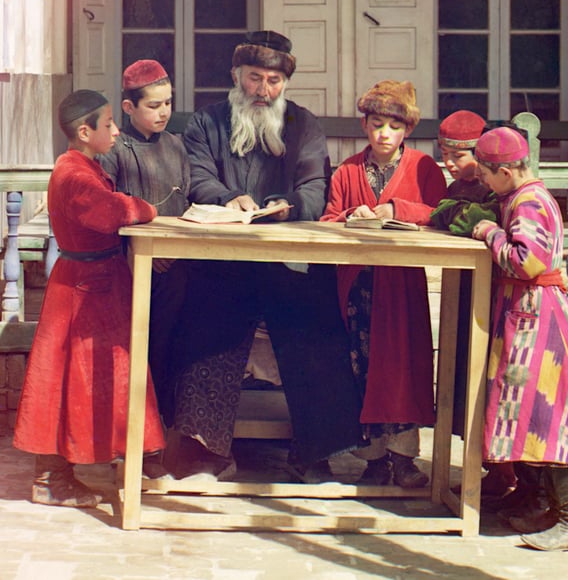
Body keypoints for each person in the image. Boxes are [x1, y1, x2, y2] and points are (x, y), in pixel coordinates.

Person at [167, 30, 364, 481]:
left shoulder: (305, 125)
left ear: (284, 84)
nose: (263, 90)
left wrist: (288, 206)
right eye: (254, 78)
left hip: (287, 258)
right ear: (237, 76)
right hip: (222, 260)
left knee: (315, 329)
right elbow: (198, 179)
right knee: (205, 329)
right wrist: (229, 197)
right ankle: (204, 452)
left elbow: (317, 186)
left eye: (273, 81)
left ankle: (316, 452)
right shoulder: (207, 123)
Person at [12, 89, 166, 507]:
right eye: (109, 124)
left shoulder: (80, 165)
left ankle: (116, 460)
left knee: (89, 377)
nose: (116, 131)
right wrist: (146, 208)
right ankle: (51, 479)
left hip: (94, 283)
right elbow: (114, 212)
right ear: (84, 131)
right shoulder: (74, 174)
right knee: (68, 380)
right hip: (83, 290)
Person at [471, 126, 568, 551]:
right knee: (527, 416)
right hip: (526, 316)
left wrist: (489, 233)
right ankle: (539, 504)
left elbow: (527, 261)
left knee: (552, 418)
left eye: (486, 173)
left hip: (539, 320)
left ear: (507, 170)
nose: (483, 180)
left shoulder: (529, 201)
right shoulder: (518, 196)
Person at [321, 80, 448, 487]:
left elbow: (441, 212)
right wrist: (350, 218)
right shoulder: (347, 171)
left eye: (393, 127)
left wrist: (396, 208)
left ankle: (404, 458)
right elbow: (328, 220)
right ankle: (372, 458)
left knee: (402, 367)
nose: (383, 134)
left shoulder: (423, 168)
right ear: (365, 125)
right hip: (357, 285)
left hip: (401, 285)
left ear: (407, 130)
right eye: (376, 124)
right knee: (362, 365)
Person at [98, 59, 191, 422]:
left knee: (172, 350)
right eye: (153, 105)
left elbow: (189, 200)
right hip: (132, 271)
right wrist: (142, 254)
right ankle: (133, 434)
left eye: (168, 103)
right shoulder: (115, 151)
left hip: (178, 270)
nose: (164, 112)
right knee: (139, 352)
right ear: (128, 107)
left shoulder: (176, 146)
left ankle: (165, 429)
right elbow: (107, 212)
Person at [431, 111, 517, 499]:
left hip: (495, 296)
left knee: (491, 385)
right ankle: (485, 471)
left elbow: (465, 219)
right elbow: (443, 215)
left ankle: (507, 475)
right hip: (463, 294)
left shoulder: (494, 191)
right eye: (444, 154)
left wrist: (448, 216)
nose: (450, 163)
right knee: (465, 379)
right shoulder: (456, 186)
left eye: (459, 155)